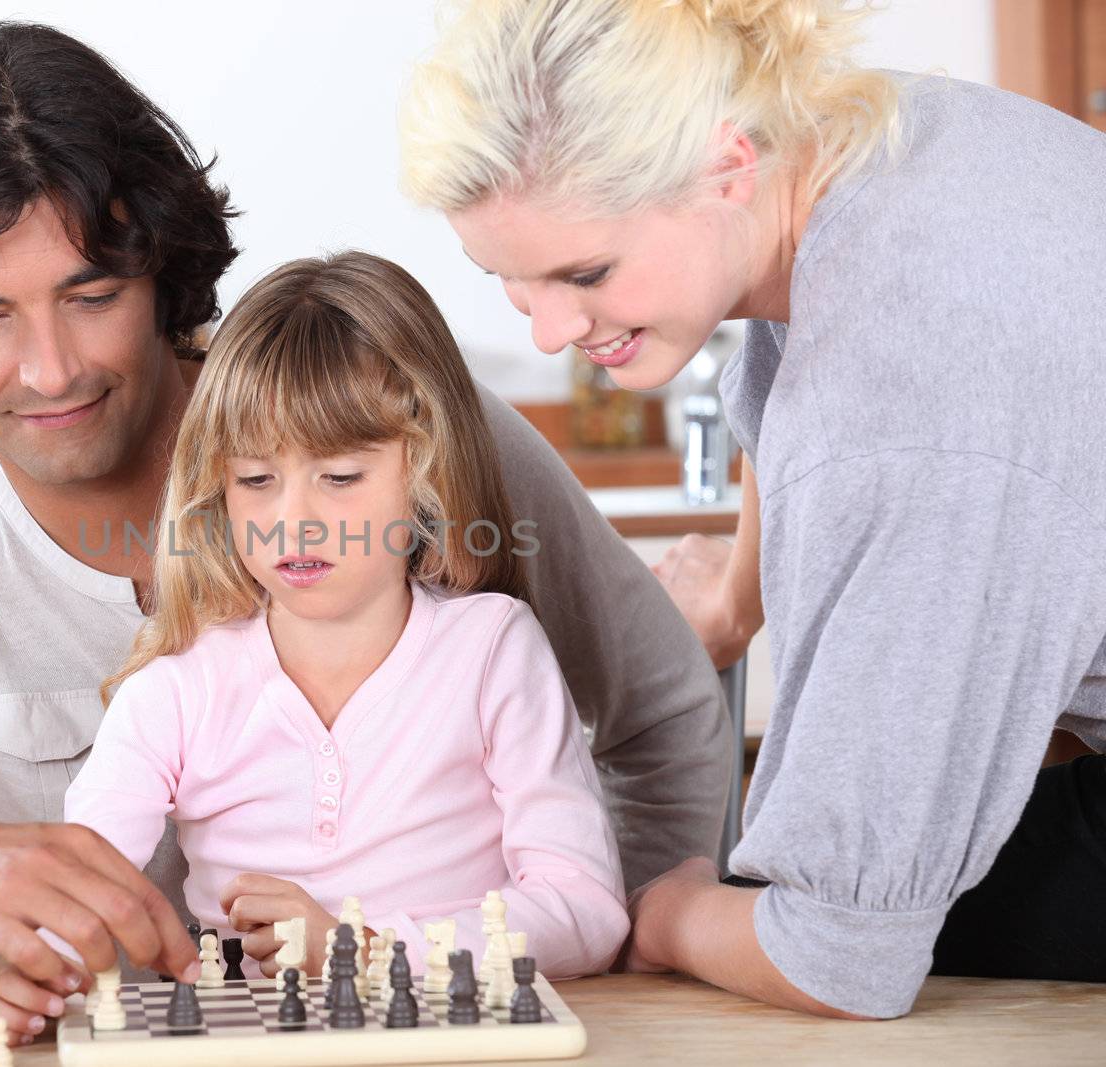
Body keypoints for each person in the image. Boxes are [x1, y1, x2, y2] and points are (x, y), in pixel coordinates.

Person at [0, 19, 732, 1041]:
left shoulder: (401, 422)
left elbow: (661, 713)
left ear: (159, 276)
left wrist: (606, 984)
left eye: (91, 295)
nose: (49, 368)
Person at [397, 0, 1106, 1021]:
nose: (552, 329)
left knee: (831, 895)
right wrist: (735, 599)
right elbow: (797, 356)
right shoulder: (868, 139)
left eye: (585, 272)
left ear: (725, 166)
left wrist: (670, 910)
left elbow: (839, 956)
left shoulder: (897, 415)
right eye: (509, 281)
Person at [0, 252, 628, 1028]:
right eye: (255, 480)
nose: (295, 520)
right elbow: (79, 880)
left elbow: (586, 910)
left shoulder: (493, 651)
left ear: (423, 467)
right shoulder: (178, 686)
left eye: (341, 477)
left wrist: (362, 949)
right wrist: (24, 964)